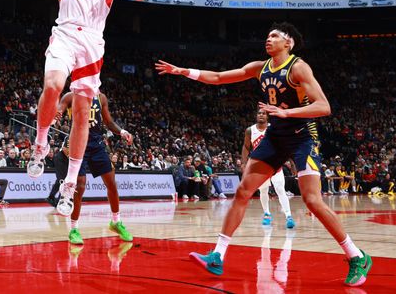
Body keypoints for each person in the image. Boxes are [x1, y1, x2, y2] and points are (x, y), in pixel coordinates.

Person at [155, 23, 372, 286]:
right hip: (276, 136)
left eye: (274, 36)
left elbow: (323, 106)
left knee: (312, 199)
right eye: (267, 36)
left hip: (303, 136)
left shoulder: (298, 67)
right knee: (243, 191)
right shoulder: (261, 67)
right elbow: (219, 77)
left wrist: (286, 112)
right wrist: (183, 71)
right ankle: (217, 256)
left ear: (288, 43)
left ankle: (356, 255)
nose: (268, 39)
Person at [6, 0, 146, 217]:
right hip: (66, 32)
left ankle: (69, 185)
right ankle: (40, 145)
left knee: (82, 113)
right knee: (53, 84)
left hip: (93, 42)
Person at [56, 91, 133, 245]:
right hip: (78, 144)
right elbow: (60, 108)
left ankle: (116, 222)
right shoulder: (71, 96)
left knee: (111, 183)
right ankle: (74, 229)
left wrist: (122, 131)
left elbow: (109, 122)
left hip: (96, 145)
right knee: (80, 186)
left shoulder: (101, 97)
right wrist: (56, 114)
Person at [243, 109, 294, 228]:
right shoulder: (250, 130)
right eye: (259, 113)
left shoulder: (274, 128)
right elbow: (246, 147)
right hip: (260, 166)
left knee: (281, 190)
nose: (261, 115)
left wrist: (291, 162)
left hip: (275, 164)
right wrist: (244, 163)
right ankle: (266, 214)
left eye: (263, 113)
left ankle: (288, 216)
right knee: (263, 190)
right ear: (256, 115)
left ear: (267, 116)